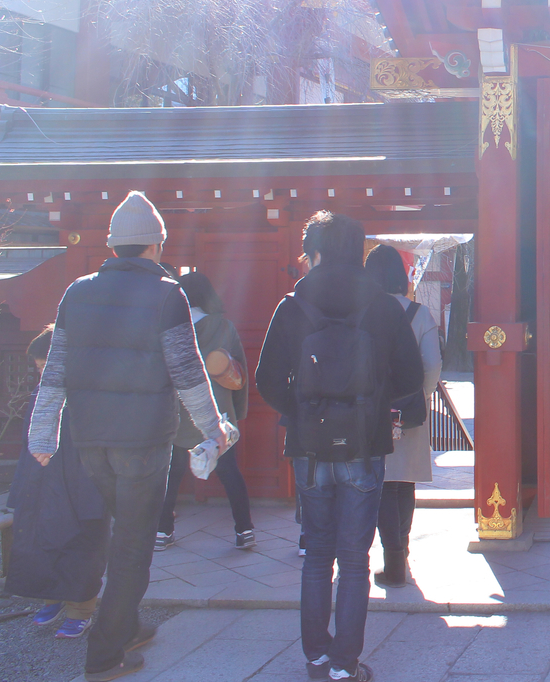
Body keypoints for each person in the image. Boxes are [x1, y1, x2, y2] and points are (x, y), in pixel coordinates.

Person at [28, 191, 230, 682]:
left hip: (89, 437)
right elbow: (188, 374)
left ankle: (130, 625)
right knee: (134, 544)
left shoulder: (77, 291)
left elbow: (54, 370)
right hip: (143, 442)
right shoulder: (167, 294)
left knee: (124, 531)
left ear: (114, 246)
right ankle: (104, 654)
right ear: (156, 246)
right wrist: (215, 429)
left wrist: (42, 434)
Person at [255, 211, 423, 682]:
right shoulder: (384, 306)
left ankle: (315, 657)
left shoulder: (292, 305)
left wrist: (304, 408)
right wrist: (369, 404)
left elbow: (266, 381)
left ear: (317, 252)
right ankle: (345, 667)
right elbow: (410, 379)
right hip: (364, 445)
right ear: (359, 251)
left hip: (309, 446)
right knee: (354, 559)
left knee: (317, 555)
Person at [6, 325, 108, 640]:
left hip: (83, 480)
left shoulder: (93, 393)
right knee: (42, 539)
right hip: (44, 477)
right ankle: (51, 596)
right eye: (38, 369)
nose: (41, 374)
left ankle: (81, 609)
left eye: (44, 367)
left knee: (81, 544)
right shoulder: (42, 394)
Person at [363, 244, 442, 590]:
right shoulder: (419, 313)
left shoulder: (362, 311)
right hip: (406, 410)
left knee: (380, 485)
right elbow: (433, 365)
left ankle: (391, 558)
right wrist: (416, 398)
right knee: (404, 483)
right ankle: (402, 555)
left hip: (370, 410)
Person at [156, 272, 252, 553]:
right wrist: (238, 413)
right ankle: (244, 530)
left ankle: (163, 530)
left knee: (171, 473)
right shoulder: (224, 327)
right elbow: (239, 374)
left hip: (178, 410)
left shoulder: (171, 327)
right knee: (229, 472)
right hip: (218, 412)